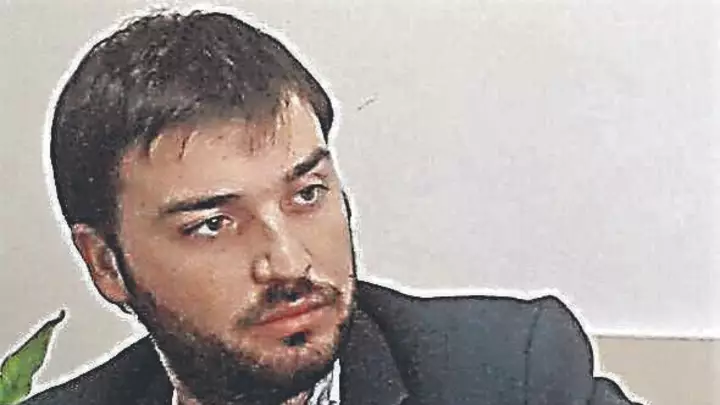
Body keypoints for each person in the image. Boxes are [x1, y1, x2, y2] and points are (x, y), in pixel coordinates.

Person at [24, 9, 642, 405]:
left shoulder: (508, 373)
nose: (288, 262)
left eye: (306, 194)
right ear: (106, 264)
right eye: (212, 225)